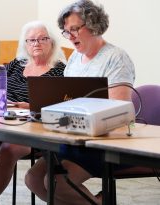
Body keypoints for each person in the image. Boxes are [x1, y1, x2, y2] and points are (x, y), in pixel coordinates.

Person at [25, 1, 135, 204]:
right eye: (66, 32)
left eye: (75, 29)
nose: (70, 36)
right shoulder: (75, 58)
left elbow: (118, 114)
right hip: (74, 137)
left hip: (105, 144)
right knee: (33, 179)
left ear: (94, 25)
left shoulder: (116, 58)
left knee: (58, 181)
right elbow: (66, 100)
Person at [0, 21, 66, 205]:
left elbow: (61, 106)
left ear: (52, 42)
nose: (36, 43)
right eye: (31, 40)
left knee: (8, 148)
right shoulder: (17, 64)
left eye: (42, 39)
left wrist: (30, 106)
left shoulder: (61, 71)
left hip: (33, 132)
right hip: (1, 124)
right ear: (25, 44)